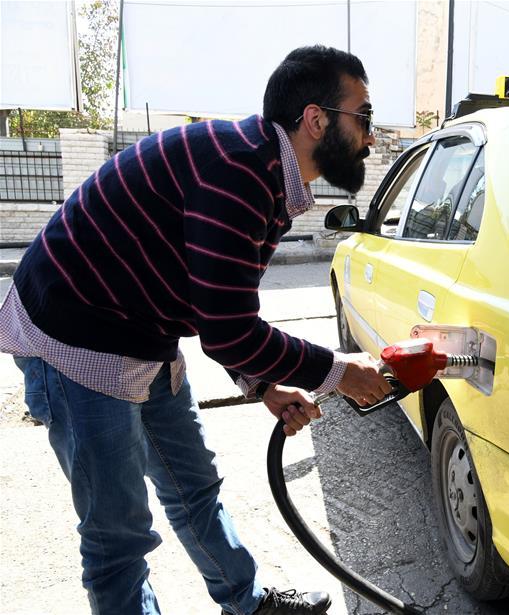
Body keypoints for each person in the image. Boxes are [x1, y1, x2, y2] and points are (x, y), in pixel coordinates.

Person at [0, 45, 392, 615]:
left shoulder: (261, 168)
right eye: (364, 116)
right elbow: (230, 331)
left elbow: (215, 304)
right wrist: (338, 372)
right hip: (74, 340)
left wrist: (264, 384)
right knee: (119, 537)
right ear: (316, 119)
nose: (371, 136)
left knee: (193, 486)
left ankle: (247, 600)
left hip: (141, 332)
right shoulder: (238, 172)